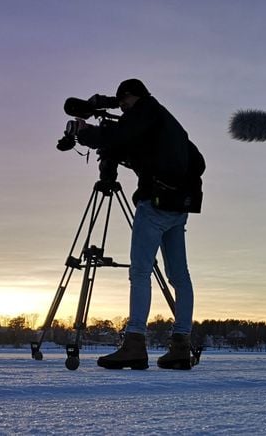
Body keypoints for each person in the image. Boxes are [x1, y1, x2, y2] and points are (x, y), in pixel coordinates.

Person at [76, 78, 204, 370]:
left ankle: (135, 342)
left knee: (140, 271)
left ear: (134, 97)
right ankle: (180, 346)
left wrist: (88, 135)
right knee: (179, 276)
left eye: (124, 102)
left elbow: (120, 135)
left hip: (155, 205)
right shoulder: (164, 121)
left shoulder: (145, 111)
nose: (122, 108)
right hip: (178, 207)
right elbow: (198, 161)